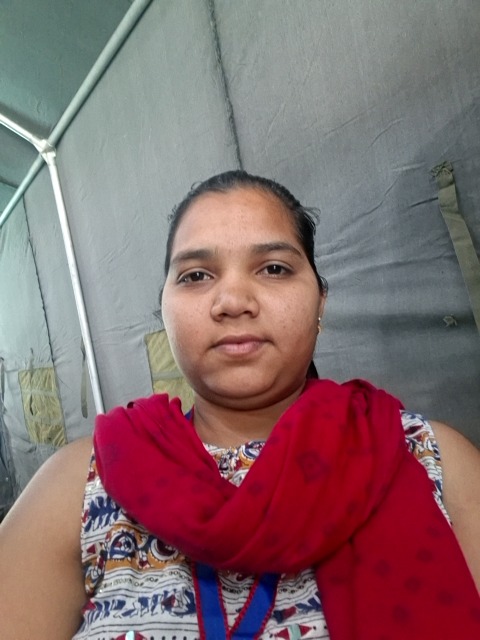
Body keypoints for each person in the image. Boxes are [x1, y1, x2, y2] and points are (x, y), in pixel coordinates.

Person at [0, 170, 479, 640]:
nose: (232, 300)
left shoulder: (431, 458)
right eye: (196, 275)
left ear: (320, 302)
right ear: (163, 309)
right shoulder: (82, 483)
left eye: (274, 268)